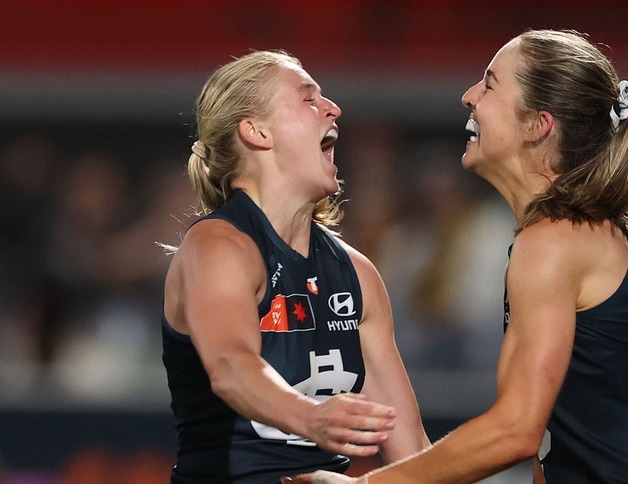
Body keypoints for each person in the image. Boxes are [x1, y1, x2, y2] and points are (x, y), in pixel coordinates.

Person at [291, 29, 628, 483]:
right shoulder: (566, 234)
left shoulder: (554, 241)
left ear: (538, 125)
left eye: (489, 85)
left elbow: (516, 430)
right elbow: (551, 448)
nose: (469, 96)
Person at [160, 50, 430, 483]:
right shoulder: (218, 245)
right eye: (308, 98)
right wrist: (311, 418)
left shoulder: (357, 274)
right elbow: (230, 366)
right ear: (257, 131)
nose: (332, 108)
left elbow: (411, 454)